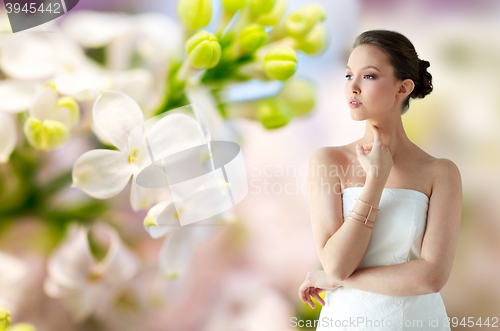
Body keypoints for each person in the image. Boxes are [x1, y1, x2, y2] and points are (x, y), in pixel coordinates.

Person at [299, 29, 462, 330]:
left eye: (369, 76)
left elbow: (431, 277)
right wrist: (375, 181)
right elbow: (336, 264)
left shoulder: (441, 173)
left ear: (403, 88)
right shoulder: (328, 162)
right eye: (349, 76)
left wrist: (336, 280)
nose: (353, 88)